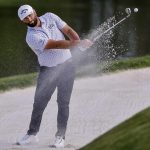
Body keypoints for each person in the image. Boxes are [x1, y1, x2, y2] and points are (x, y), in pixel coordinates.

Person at [17, 4, 92, 148]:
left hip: (67, 67)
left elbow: (68, 30)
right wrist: (78, 44)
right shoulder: (31, 36)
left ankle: (60, 137)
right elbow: (56, 44)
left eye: (30, 14)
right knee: (39, 103)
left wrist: (78, 43)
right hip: (48, 71)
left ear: (34, 12)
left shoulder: (51, 16)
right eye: (25, 18)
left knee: (63, 103)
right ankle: (32, 134)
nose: (29, 18)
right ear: (23, 21)